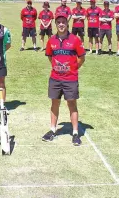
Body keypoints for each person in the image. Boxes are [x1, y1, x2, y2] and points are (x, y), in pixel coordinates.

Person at [43, 11, 85, 146]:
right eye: (59, 22)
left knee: (72, 104)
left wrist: (72, 68)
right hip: (55, 78)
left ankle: (75, 133)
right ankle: (52, 130)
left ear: (67, 23)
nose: (61, 24)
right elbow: (50, 57)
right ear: (55, 24)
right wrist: (58, 68)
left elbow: (82, 58)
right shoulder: (51, 40)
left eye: (63, 22)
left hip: (70, 79)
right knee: (54, 103)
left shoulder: (75, 39)